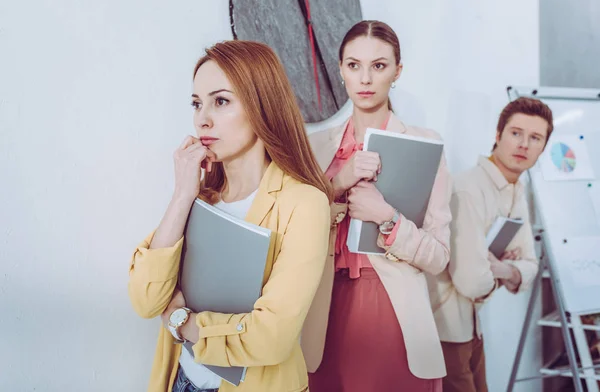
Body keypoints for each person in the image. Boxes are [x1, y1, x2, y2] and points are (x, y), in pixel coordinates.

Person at [128, 40, 332, 392]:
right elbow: (145, 300)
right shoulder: (199, 197)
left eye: (220, 101)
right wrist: (181, 195)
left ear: (260, 105)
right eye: (197, 103)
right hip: (181, 380)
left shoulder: (305, 203)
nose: (202, 118)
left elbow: (272, 337)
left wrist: (182, 322)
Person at [302, 20, 450, 391]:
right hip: (321, 308)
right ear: (341, 71)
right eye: (354, 65)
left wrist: (387, 218)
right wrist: (338, 184)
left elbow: (439, 257)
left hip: (394, 312)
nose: (365, 78)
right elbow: (293, 233)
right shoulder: (315, 147)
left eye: (379, 66)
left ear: (397, 72)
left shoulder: (425, 145)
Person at [427, 97, 554, 392]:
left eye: (535, 138)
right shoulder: (470, 189)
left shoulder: (516, 189)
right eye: (515, 133)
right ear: (497, 136)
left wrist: (501, 269)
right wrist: (505, 272)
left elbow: (531, 265)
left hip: (472, 327)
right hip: (445, 327)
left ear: (543, 148)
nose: (524, 144)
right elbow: (471, 282)